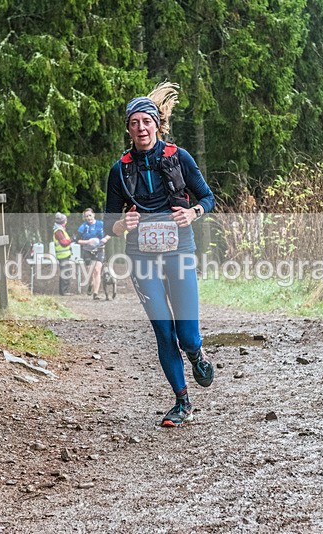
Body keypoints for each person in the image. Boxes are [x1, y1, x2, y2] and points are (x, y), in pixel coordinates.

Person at [104, 82, 215, 428]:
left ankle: (196, 353)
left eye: (146, 122)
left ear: (157, 124)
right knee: (164, 332)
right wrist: (124, 223)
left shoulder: (178, 157)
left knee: (187, 335)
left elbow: (208, 198)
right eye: (134, 123)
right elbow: (109, 224)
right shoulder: (120, 169)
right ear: (128, 128)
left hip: (179, 251)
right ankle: (182, 402)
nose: (141, 129)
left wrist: (192, 213)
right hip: (141, 257)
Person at [75, 208, 110, 300]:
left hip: (99, 250)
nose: (88, 218)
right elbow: (77, 240)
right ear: (85, 218)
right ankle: (91, 283)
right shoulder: (83, 227)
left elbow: (110, 233)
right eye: (86, 216)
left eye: (90, 215)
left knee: (97, 270)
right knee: (91, 272)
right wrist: (87, 242)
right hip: (87, 251)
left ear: (93, 215)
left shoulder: (101, 224)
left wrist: (105, 239)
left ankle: (95, 294)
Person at [52, 212, 73, 296]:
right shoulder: (59, 231)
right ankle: (64, 291)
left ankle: (64, 291)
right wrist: (71, 239)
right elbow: (64, 243)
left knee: (66, 272)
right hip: (62, 256)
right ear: (64, 221)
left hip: (65, 255)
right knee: (65, 272)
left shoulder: (60, 230)